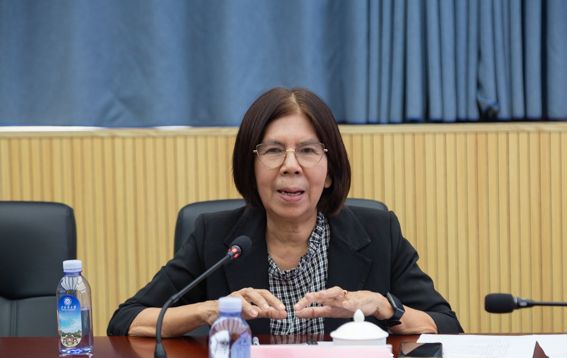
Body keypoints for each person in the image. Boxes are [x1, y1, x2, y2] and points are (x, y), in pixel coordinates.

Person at [107, 87, 463, 337]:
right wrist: (210, 310)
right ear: (251, 168)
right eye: (273, 151)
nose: (290, 166)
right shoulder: (214, 237)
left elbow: (447, 326)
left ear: (330, 172)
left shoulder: (378, 232)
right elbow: (126, 320)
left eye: (307, 151)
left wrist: (386, 307)